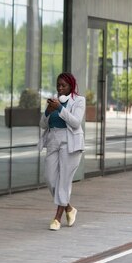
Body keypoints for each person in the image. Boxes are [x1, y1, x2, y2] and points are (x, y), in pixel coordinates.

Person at [39, 72, 85, 231]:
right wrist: (48, 112)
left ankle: (57, 218)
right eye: (58, 85)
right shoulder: (54, 100)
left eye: (63, 85)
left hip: (70, 141)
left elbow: (76, 122)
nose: (60, 88)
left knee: (64, 180)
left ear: (71, 86)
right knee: (50, 178)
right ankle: (69, 209)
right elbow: (43, 125)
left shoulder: (79, 101)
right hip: (53, 139)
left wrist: (60, 109)